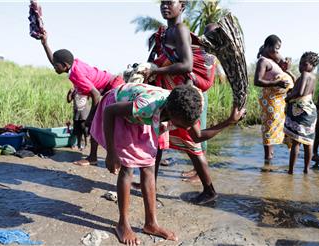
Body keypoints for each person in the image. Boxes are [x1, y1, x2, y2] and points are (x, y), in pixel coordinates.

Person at [89, 82, 245, 245]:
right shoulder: (147, 105)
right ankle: (123, 224)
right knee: (128, 167)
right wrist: (111, 153)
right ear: (170, 113)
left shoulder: (188, 106)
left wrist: (229, 121)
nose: (186, 128)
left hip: (143, 116)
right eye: (182, 125)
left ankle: (151, 224)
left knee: (149, 166)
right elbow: (109, 111)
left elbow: (197, 137)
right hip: (118, 110)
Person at [139, 0, 233, 203]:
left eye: (169, 3)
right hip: (168, 93)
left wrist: (157, 70)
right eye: (162, 3)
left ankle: (209, 191)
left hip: (180, 97)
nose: (165, 6)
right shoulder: (164, 33)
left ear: (182, 6)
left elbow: (187, 64)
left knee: (192, 142)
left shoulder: (181, 30)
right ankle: (150, 182)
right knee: (158, 138)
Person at [40, 31, 124, 166]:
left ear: (65, 65)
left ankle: (101, 157)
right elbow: (55, 60)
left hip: (113, 86)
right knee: (96, 124)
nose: (54, 67)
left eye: (56, 65)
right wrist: (45, 43)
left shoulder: (76, 74)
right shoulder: (72, 66)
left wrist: (91, 117)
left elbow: (96, 94)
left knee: (97, 123)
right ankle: (95, 157)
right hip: (109, 86)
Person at [254, 34, 294, 163]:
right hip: (271, 101)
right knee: (270, 128)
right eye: (276, 48)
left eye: (279, 49)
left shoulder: (272, 61)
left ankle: (270, 159)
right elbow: (257, 81)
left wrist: (286, 69)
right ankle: (268, 161)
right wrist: (276, 83)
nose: (277, 51)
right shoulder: (263, 61)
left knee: (276, 128)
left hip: (279, 101)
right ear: (267, 46)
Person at [284, 51, 319, 174]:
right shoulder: (313, 77)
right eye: (300, 64)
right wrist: (289, 72)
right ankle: (306, 169)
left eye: (304, 64)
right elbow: (310, 94)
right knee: (308, 142)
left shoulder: (305, 74)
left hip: (301, 111)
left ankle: (291, 171)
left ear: (312, 66)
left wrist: (288, 98)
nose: (301, 67)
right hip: (310, 110)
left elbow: (299, 92)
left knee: (296, 142)